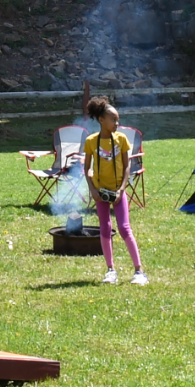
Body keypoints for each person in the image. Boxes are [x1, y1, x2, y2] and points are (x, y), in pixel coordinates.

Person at [83, 96, 148, 286]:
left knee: (124, 228)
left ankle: (139, 271)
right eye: (113, 120)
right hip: (100, 191)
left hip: (118, 191)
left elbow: (128, 166)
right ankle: (110, 270)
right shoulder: (91, 141)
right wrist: (93, 190)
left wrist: (121, 189)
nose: (116, 123)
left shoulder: (121, 139)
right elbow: (87, 168)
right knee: (105, 228)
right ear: (101, 120)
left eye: (117, 120)